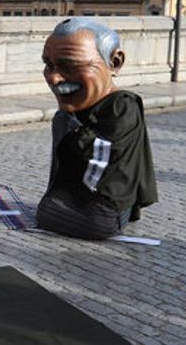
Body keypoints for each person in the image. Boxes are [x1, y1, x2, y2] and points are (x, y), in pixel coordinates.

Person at [35, 18, 158, 240]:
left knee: (62, 215)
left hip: (105, 204)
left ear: (115, 62)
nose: (53, 77)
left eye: (71, 66)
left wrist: (70, 127)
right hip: (82, 200)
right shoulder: (72, 110)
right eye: (49, 65)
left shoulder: (122, 107)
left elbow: (101, 168)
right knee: (47, 210)